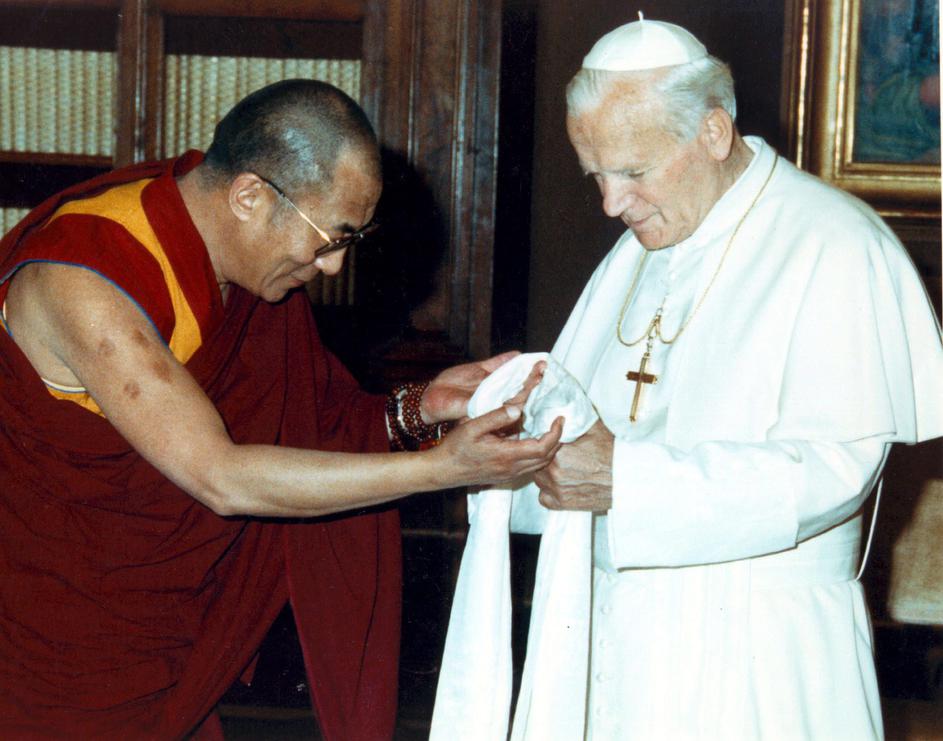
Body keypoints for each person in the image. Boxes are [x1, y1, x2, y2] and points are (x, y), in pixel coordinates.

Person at [0, 79, 561, 739]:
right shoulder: (85, 278)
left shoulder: (241, 266)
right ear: (249, 196)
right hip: (50, 644)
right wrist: (442, 470)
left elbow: (310, 423)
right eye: (331, 238)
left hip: (161, 645)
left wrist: (419, 408)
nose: (333, 267)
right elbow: (222, 475)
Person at [434, 16, 943, 740]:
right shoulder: (638, 248)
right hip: (611, 634)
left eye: (633, 172)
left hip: (759, 650)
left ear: (712, 132)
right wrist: (512, 447)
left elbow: (835, 471)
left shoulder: (834, 242)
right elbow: (583, 440)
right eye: (596, 175)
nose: (610, 204)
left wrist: (625, 481)